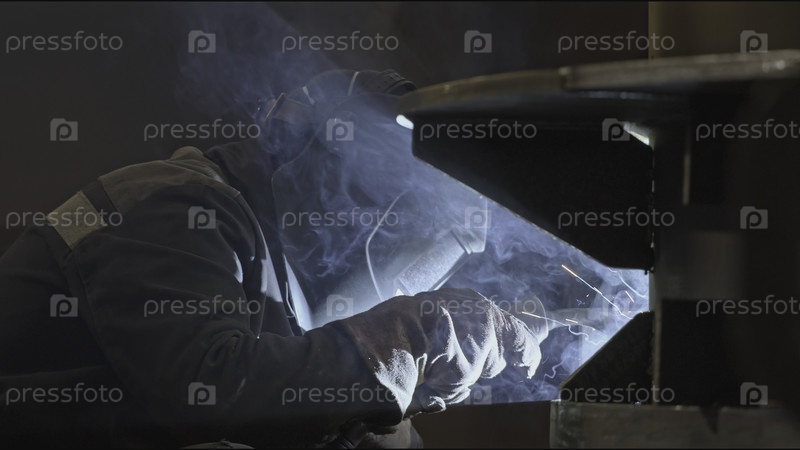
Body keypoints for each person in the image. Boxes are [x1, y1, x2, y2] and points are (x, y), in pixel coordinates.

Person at [0, 69, 545, 448]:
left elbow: (291, 411)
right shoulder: (177, 204)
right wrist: (410, 337)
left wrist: (398, 400)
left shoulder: (287, 287)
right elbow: (211, 391)